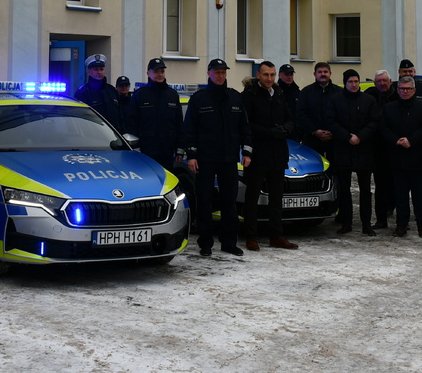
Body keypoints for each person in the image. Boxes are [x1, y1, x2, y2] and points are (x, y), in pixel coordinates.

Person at [182, 59, 252, 256]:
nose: (220, 76)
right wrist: (192, 156)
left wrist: (246, 152)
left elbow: (245, 128)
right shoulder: (199, 99)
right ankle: (206, 243)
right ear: (209, 73)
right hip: (205, 159)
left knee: (229, 202)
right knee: (204, 201)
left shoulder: (235, 98)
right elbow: (189, 130)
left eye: (223, 72)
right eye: (216, 72)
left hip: (229, 159)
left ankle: (229, 242)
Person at [240, 61, 298, 251]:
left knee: (276, 198)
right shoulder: (249, 95)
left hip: (278, 153)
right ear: (258, 75)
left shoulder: (278, 93)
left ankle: (276, 235)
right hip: (258, 153)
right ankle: (251, 235)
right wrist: (269, 132)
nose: (270, 78)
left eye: (272, 75)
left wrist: (286, 129)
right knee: (253, 196)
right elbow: (246, 124)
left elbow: (290, 118)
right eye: (266, 75)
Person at [326, 69, 379, 235]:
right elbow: (331, 121)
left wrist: (360, 137)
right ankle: (346, 222)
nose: (354, 84)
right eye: (350, 82)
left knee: (365, 189)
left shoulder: (368, 100)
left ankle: (366, 223)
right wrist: (347, 137)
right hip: (343, 148)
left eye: (356, 81)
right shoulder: (335, 100)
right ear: (345, 83)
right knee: (344, 189)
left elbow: (375, 121)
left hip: (364, 149)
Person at [379, 76, 422, 238]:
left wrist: (411, 140)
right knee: (400, 195)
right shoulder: (389, 108)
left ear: (414, 90)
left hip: (417, 158)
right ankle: (401, 225)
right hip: (397, 158)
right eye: (402, 88)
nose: (405, 91)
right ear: (397, 90)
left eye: (408, 89)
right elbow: (383, 128)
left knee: (420, 195)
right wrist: (396, 140)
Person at [125, 58, 182, 170]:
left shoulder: (172, 95)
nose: (160, 74)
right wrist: (135, 147)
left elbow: (179, 123)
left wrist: (179, 149)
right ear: (148, 73)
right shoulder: (140, 95)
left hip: (167, 151)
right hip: (146, 151)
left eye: (162, 71)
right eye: (156, 72)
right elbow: (131, 123)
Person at [366, 69, 396, 229]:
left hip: (397, 147)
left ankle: (401, 219)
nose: (382, 84)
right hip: (377, 148)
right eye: (379, 81)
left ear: (390, 81)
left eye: (385, 80)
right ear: (374, 83)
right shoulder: (370, 97)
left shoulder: (399, 95)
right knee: (380, 185)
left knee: (399, 185)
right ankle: (381, 218)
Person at [74, 54, 125, 133]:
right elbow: (79, 118)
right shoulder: (83, 92)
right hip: (94, 136)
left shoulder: (111, 90)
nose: (99, 72)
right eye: (96, 69)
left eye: (101, 69)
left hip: (115, 136)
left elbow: (120, 116)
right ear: (89, 72)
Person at [295, 62, 337, 154]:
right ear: (314, 74)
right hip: (312, 140)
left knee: (335, 167)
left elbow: (343, 115)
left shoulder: (339, 92)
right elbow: (301, 114)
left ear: (330, 73)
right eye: (320, 72)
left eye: (325, 72)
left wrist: (333, 132)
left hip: (335, 140)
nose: (323, 74)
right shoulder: (306, 92)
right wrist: (314, 131)